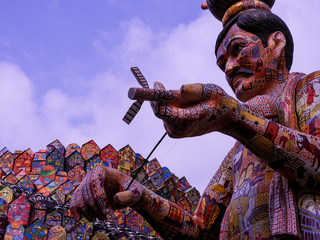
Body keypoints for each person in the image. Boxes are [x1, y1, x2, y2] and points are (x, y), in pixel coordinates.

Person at [70, 0, 320, 239]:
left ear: (275, 44)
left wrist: (232, 118)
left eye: (238, 50)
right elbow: (200, 230)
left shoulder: (310, 88)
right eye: (222, 64)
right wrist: (137, 193)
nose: (230, 68)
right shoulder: (237, 154)